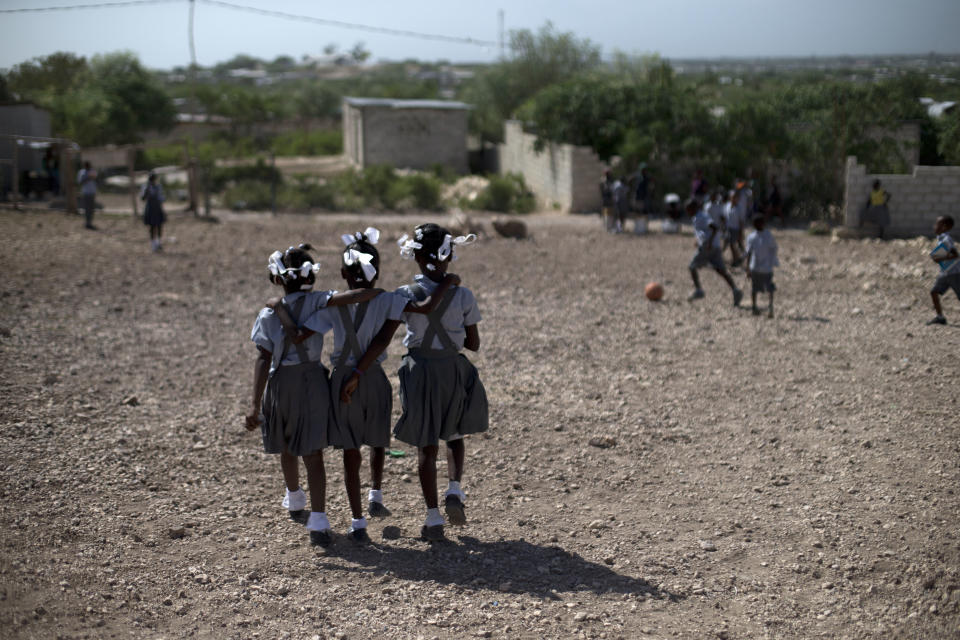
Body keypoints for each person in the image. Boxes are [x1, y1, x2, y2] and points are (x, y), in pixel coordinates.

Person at [272, 228, 461, 543]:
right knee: (377, 441)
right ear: (379, 270)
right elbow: (424, 308)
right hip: (373, 378)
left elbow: (300, 334)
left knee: (349, 452)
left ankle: (357, 522)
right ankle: (377, 493)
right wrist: (448, 281)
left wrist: (279, 307)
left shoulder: (333, 305)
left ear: (344, 272)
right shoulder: (390, 299)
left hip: (340, 381)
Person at [341, 224, 487, 542]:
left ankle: (433, 518)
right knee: (455, 433)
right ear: (450, 255)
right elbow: (473, 344)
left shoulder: (404, 295)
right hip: (452, 369)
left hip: (419, 371)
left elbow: (384, 338)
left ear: (416, 257)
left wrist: (358, 371)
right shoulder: (463, 295)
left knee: (427, 444)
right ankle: (454, 489)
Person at [245, 244, 383, 547]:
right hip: (315, 381)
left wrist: (255, 403)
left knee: (286, 442)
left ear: (279, 278)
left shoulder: (268, 313)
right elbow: (351, 296)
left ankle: (294, 496)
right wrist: (374, 291)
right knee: (313, 451)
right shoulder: (320, 302)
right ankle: (318, 519)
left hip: (282, 382)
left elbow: (262, 358)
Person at [687, 198, 743, 306]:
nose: (687, 212)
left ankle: (699, 290)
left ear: (693, 208)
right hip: (715, 246)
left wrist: (708, 242)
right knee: (720, 270)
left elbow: (714, 228)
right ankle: (735, 290)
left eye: (688, 209)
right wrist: (699, 240)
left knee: (692, 266)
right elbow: (704, 231)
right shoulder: (698, 217)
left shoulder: (701, 216)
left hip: (708, 246)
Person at [744, 215, 779, 318]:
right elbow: (774, 249)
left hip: (756, 267)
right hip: (765, 267)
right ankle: (769, 306)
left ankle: (755, 307)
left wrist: (748, 268)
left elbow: (749, 253)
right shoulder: (768, 236)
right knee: (768, 287)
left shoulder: (752, 237)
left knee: (755, 288)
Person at [928, 215, 960, 326]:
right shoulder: (941, 238)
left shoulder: (947, 239)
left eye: (937, 224)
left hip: (954, 273)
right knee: (934, 292)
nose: (934, 226)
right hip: (945, 273)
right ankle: (940, 317)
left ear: (944, 227)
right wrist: (938, 258)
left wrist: (939, 258)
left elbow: (955, 255)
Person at [141, 172, 166, 252]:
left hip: (157, 208)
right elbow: (143, 198)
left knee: (159, 226)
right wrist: (146, 191)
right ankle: (153, 244)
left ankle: (158, 243)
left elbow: (161, 198)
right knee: (152, 227)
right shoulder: (146, 187)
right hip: (150, 208)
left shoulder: (158, 187)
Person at [723, 189, 746, 266]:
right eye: (733, 197)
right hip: (728, 228)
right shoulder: (727, 206)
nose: (734, 198)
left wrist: (741, 232)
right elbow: (725, 217)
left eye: (736, 197)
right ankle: (736, 258)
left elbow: (741, 222)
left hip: (736, 229)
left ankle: (739, 258)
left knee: (735, 244)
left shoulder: (740, 208)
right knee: (730, 244)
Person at [77, 161, 97, 229]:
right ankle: (87, 222)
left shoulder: (92, 171)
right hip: (86, 193)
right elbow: (80, 182)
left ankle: (90, 222)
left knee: (91, 208)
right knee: (86, 208)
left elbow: (96, 178)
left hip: (92, 192)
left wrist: (91, 177)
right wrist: (88, 177)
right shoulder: (82, 172)